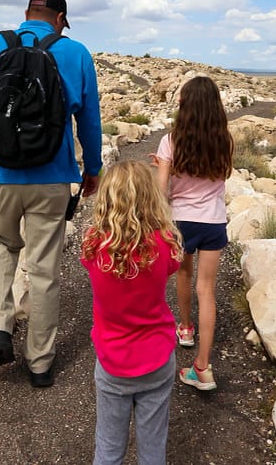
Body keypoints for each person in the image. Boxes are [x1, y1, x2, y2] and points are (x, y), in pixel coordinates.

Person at [0, 0, 102, 388]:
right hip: (53, 177)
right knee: (43, 269)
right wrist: (93, 168)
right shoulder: (75, 54)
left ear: (26, 13)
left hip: (0, 174)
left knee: (0, 245)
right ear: (60, 19)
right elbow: (89, 119)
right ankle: (40, 362)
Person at [81, 160, 183, 465]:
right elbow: (173, 266)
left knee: (109, 448)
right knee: (153, 449)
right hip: (157, 358)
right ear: (152, 199)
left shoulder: (93, 246)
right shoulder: (164, 245)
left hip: (112, 363)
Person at [152, 75, 233, 391]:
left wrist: (162, 168)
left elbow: (161, 190)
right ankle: (202, 366)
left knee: (183, 276)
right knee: (207, 289)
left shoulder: (170, 141)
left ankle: (185, 328)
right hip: (213, 221)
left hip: (181, 221)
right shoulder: (224, 140)